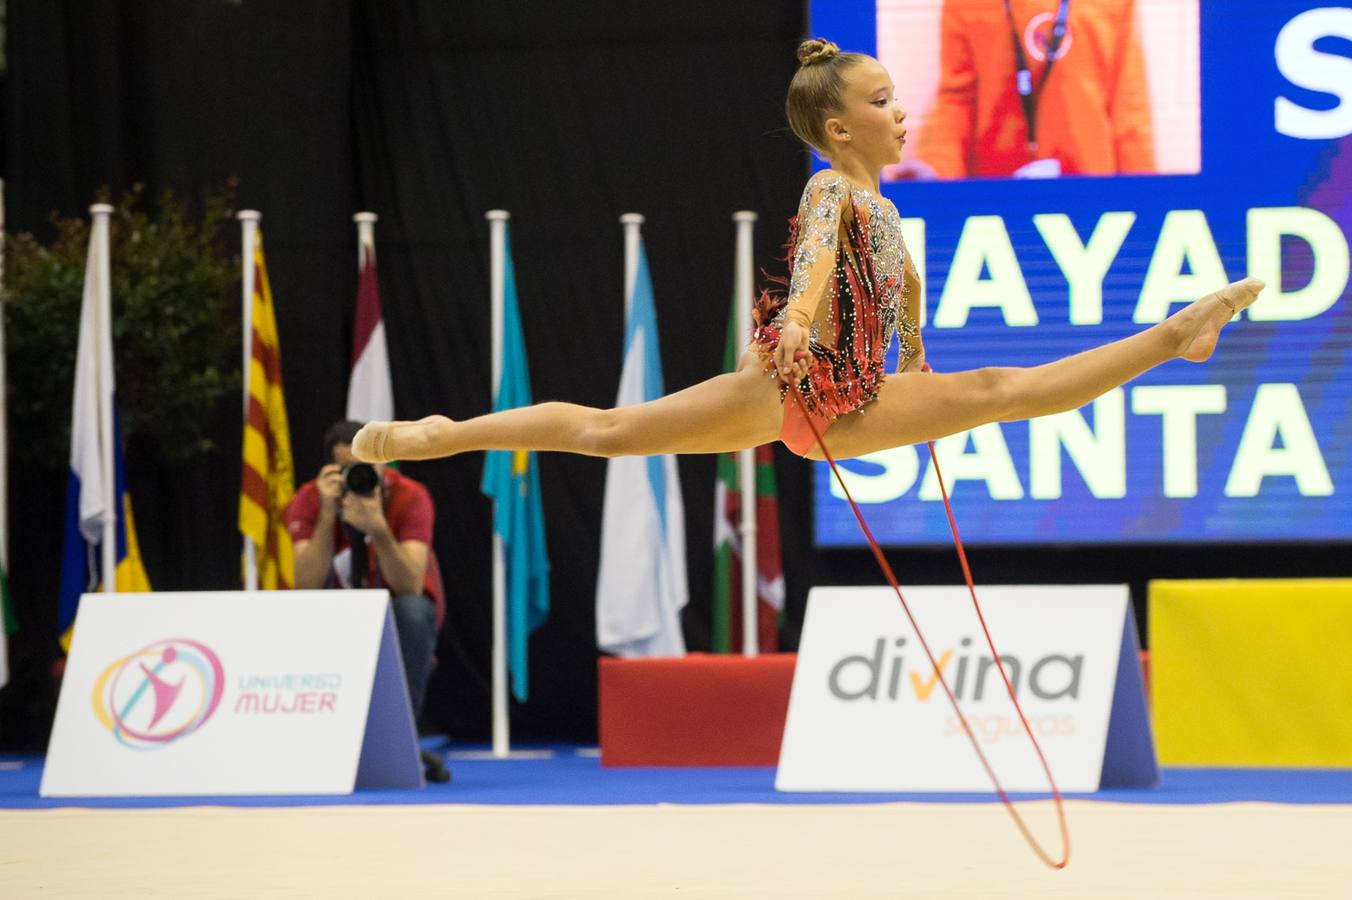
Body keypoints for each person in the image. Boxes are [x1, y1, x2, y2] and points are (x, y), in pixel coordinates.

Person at [347, 39, 1261, 475]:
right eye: (883, 98)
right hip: (791, 382)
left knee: (998, 394)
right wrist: (789, 319)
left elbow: (901, 311)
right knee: (608, 432)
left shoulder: (888, 210)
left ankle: (1173, 335)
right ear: (838, 126)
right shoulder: (834, 187)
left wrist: (917, 370)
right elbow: (818, 256)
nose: (902, 111)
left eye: (897, 97)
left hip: (857, 399)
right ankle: (445, 432)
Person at [284, 420, 450, 782]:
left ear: (383, 463)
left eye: (367, 467)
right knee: (297, 615)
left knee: (414, 611)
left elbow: (410, 584)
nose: (358, 477)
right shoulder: (311, 499)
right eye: (348, 470)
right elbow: (305, 585)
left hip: (393, 613)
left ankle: (401, 735)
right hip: (333, 614)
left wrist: (378, 527)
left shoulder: (409, 496)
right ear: (330, 470)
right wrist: (328, 516)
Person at [894, 0, 1155, 179]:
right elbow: (957, 100)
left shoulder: (1114, 4)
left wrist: (1146, 200)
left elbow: (1129, 109)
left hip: (1088, 193)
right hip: (997, 196)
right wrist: (936, 170)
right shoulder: (966, 4)